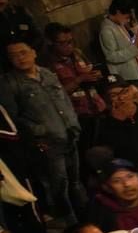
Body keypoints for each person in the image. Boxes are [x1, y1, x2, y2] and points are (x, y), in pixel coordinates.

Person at [0, 40, 82, 222]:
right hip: (47, 143)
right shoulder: (9, 84)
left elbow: (64, 101)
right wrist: (38, 133)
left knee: (75, 181)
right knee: (58, 187)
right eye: (13, 55)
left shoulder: (47, 73)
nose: (19, 58)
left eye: (22, 52)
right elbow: (12, 119)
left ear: (33, 52)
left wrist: (72, 122)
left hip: (68, 135)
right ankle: (69, 223)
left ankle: (84, 217)